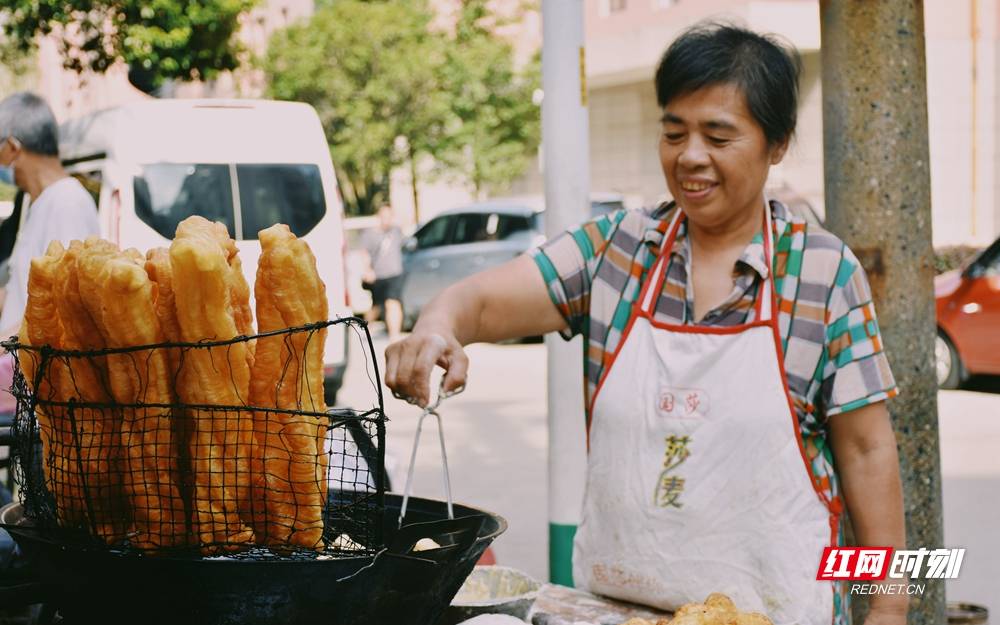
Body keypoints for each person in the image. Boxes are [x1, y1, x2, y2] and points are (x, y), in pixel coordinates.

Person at [385, 24, 907, 625]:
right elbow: (477, 301)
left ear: (778, 143)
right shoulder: (618, 249)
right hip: (615, 611)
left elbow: (868, 451)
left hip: (781, 612)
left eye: (718, 135)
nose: (690, 156)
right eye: (673, 131)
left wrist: (890, 604)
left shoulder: (823, 271)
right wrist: (435, 327)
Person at [361, 203, 405, 341]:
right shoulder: (369, 234)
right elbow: (364, 254)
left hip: (395, 274)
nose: (387, 219)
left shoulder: (396, 231)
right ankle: (364, 327)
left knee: (393, 303)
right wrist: (368, 270)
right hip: (378, 275)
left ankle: (394, 335)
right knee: (376, 308)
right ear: (379, 217)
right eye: (384, 216)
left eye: (389, 216)